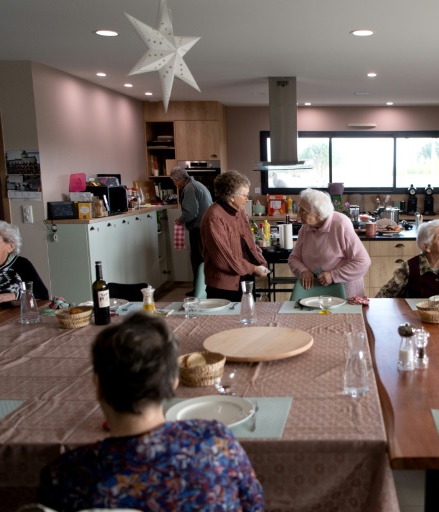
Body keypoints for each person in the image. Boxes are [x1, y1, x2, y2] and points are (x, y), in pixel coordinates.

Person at [37, 312, 265, 511]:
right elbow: (254, 505)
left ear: (98, 386)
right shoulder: (215, 441)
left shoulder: (65, 476)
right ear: (174, 382)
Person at [288, 189, 371, 297]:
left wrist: (333, 275)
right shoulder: (305, 228)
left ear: (318, 214)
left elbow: (363, 262)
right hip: (314, 294)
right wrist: (303, 271)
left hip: (345, 293)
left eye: (303, 211)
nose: (298, 214)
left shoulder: (340, 224)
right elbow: (294, 258)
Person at [201, 171, 268, 301]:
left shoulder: (240, 210)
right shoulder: (214, 217)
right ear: (231, 197)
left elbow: (249, 242)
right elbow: (225, 259)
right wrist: (253, 268)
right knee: (226, 321)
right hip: (225, 287)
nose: (247, 200)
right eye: (244, 196)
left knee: (248, 317)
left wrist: (260, 261)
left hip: (246, 279)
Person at [169, 166, 213, 296]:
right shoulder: (197, 184)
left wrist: (180, 220)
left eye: (174, 181)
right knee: (202, 259)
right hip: (205, 227)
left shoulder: (189, 188)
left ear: (177, 179)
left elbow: (190, 213)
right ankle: (202, 288)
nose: (175, 184)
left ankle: (199, 290)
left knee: (198, 259)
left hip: (198, 229)